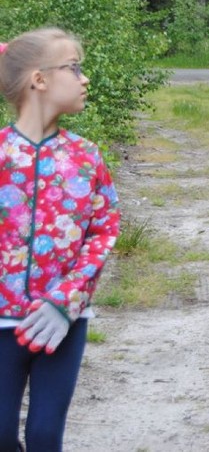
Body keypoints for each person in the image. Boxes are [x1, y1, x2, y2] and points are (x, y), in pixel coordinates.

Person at [0, 28, 121, 452]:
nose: (85, 77)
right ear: (39, 79)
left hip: (63, 323)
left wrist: (66, 300)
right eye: (74, 67)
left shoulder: (86, 157)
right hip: (0, 327)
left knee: (45, 436)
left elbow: (104, 229)